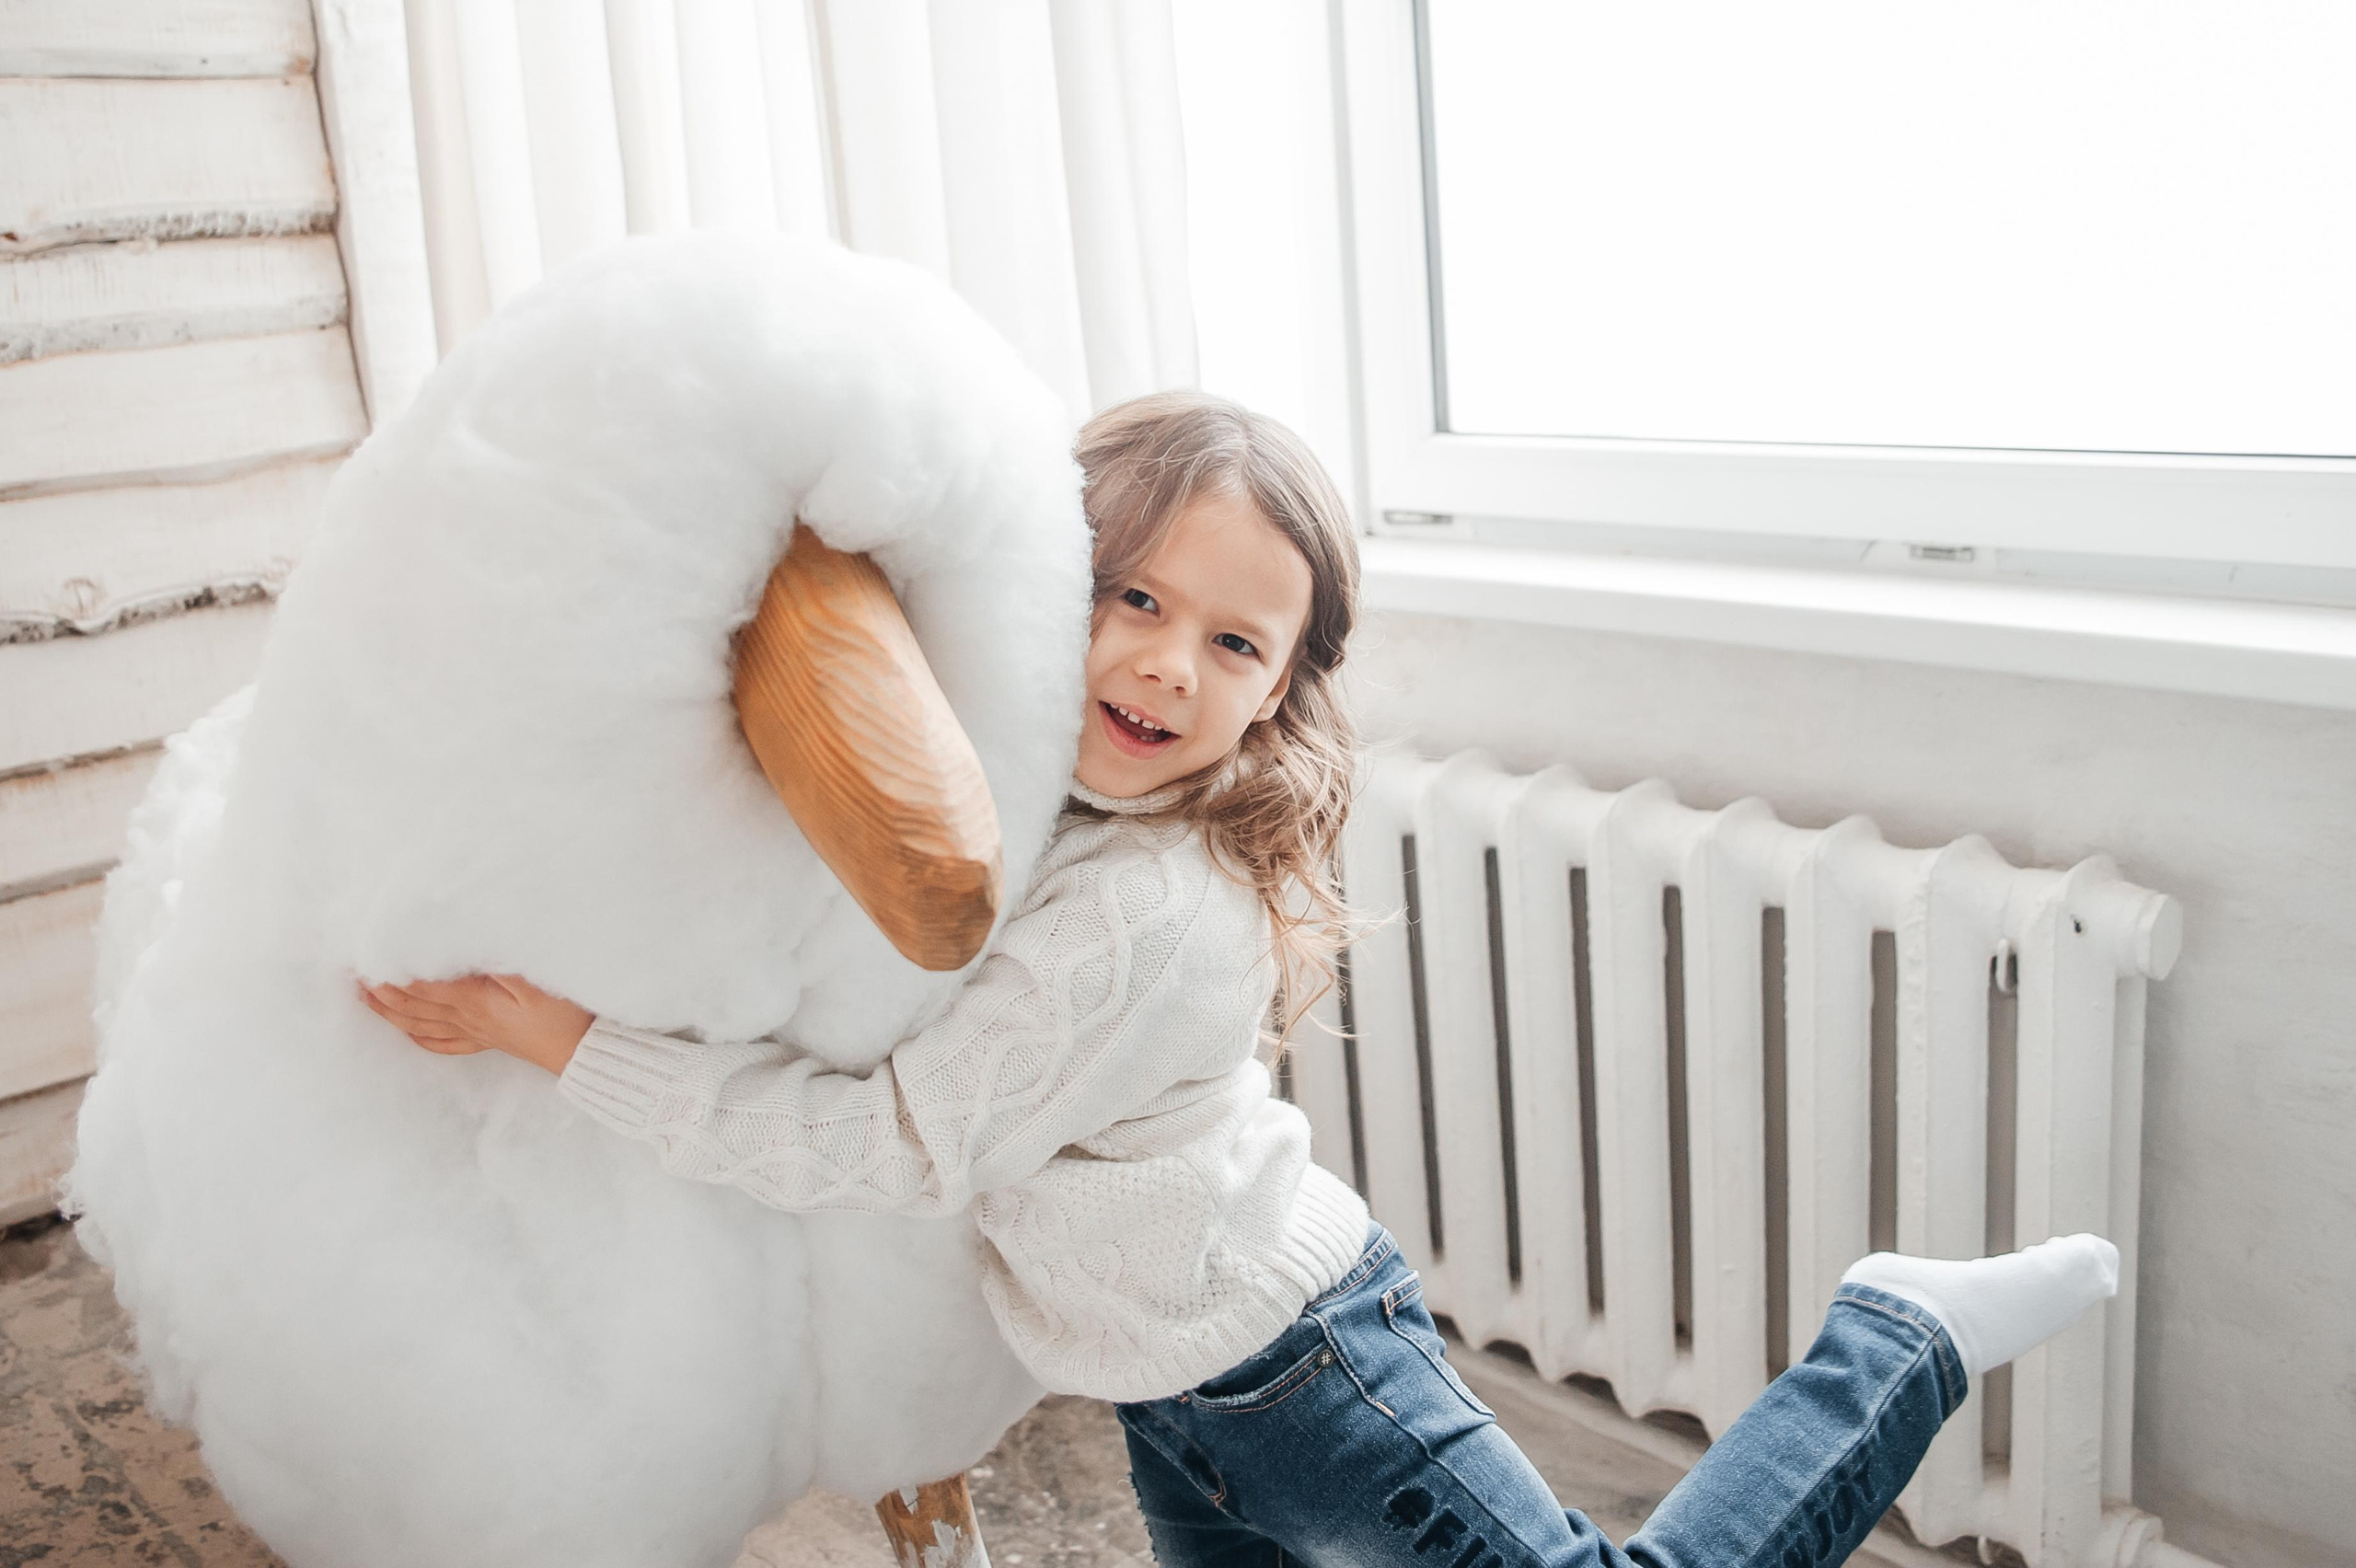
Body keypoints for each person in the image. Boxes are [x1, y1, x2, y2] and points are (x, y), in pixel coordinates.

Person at [361, 390, 2119, 1568]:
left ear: (1279, 688)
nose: (1162, 661)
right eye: (1127, 592)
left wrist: (559, 1037)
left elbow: (890, 1146)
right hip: (1168, 1377)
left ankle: (1895, 1338)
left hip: (1298, 1372)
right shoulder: (1035, 801)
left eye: (1232, 641)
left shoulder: (1140, 913)